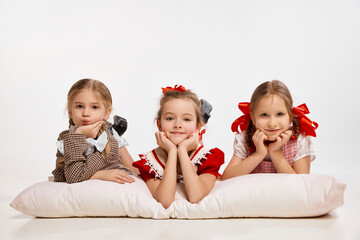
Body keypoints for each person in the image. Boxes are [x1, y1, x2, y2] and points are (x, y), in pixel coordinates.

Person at [132, 85, 224, 208]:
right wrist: (172, 151)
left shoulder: (209, 157)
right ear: (159, 125)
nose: (177, 125)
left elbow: (196, 196)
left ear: (197, 126)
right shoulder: (149, 163)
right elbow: (164, 201)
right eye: (170, 118)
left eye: (186, 119)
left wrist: (182, 150)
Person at [222, 80, 318, 180]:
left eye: (280, 114)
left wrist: (275, 152)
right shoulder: (245, 138)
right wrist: (258, 154)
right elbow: (226, 178)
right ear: (253, 117)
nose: (272, 124)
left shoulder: (300, 140)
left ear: (290, 116)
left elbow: (301, 183)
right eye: (264, 115)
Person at [52, 78, 138, 184]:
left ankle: (115, 132)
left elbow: (74, 177)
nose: (86, 113)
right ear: (70, 111)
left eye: (94, 107)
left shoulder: (107, 143)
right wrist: (99, 175)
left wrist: (79, 135)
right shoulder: (65, 137)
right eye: (79, 106)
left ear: (107, 113)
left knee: (136, 172)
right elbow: (59, 175)